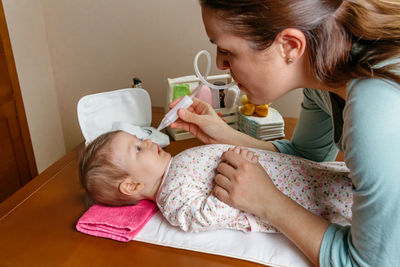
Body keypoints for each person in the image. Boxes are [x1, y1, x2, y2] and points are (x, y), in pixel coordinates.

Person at [169, 0, 400, 266]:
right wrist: (224, 134)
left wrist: (268, 203)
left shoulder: (377, 112)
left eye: (226, 50)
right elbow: (306, 155)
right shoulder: (323, 78)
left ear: (289, 46)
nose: (220, 63)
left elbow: (368, 263)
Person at [79, 130, 352, 233]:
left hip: (292, 171)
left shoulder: (175, 165)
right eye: (138, 149)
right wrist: (240, 179)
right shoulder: (171, 197)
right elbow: (207, 216)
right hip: (290, 195)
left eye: (140, 139)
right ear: (132, 186)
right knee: (343, 197)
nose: (148, 142)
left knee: (336, 177)